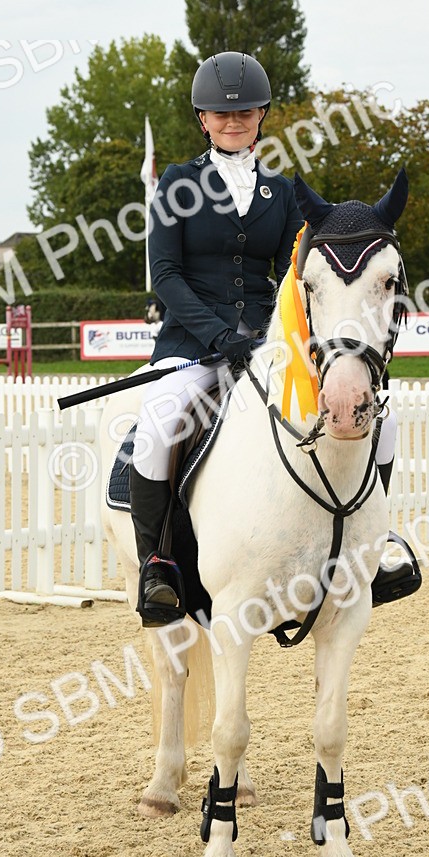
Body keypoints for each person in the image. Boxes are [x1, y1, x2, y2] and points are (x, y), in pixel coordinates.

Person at [129, 51, 302, 625]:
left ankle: (369, 548)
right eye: (222, 114)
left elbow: (291, 275)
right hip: (191, 346)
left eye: (246, 112)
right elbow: (167, 277)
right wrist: (220, 335)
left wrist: (272, 335)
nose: (234, 122)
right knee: (158, 420)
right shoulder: (178, 184)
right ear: (203, 119)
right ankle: (156, 564)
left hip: (265, 347)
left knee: (377, 417)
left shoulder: (284, 192)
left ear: (261, 116)